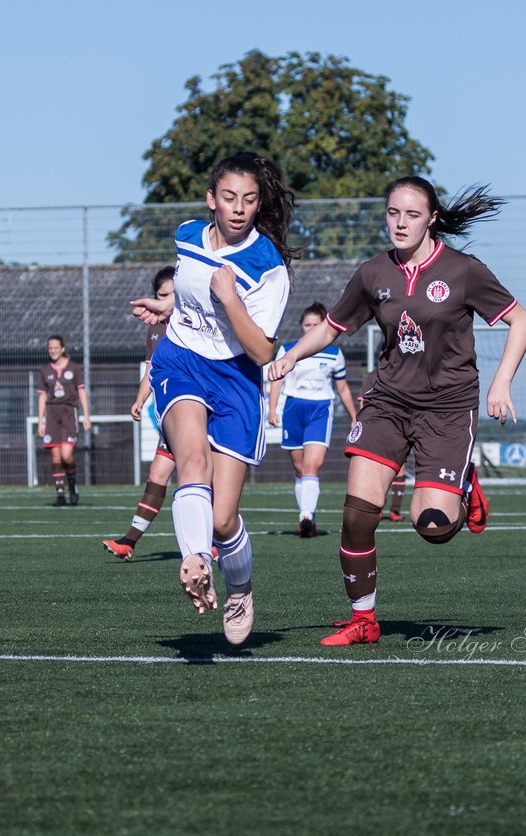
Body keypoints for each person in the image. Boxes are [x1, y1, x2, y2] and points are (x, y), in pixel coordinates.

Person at [269, 176, 526, 647]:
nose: (400, 222)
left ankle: (463, 483)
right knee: (356, 516)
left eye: (412, 214)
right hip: (388, 402)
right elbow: (331, 327)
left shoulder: (463, 270)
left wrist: (501, 382)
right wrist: (292, 355)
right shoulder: (374, 273)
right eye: (393, 213)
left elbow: (521, 320)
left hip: (448, 409)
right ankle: (364, 620)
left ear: (432, 218)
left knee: (431, 528)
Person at [131, 151, 296, 645]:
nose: (239, 208)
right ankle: (195, 560)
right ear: (211, 200)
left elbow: (264, 350)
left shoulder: (269, 268)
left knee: (224, 519)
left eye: (249, 199)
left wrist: (229, 298)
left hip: (237, 377)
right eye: (229, 198)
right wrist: (168, 305)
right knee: (191, 459)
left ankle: (239, 587)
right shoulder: (186, 235)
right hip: (180, 360)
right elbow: (187, 291)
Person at [103, 267, 177, 559]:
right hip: (170, 416)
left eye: (173, 294)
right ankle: (129, 541)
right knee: (157, 474)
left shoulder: (195, 323)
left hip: (199, 415)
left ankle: (215, 543)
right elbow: (152, 367)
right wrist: (140, 398)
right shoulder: (155, 328)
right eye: (162, 295)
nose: (167, 300)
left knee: (200, 479)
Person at [267, 302, 357, 538]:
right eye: (307, 325)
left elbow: (343, 389)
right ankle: (307, 514)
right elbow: (277, 380)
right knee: (299, 467)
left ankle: (305, 516)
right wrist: (272, 409)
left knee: (312, 465)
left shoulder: (335, 354)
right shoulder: (288, 349)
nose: (311, 328)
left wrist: (354, 417)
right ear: (301, 326)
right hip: (294, 408)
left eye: (316, 325)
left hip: (320, 409)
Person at [36, 335, 91, 506]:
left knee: (67, 455)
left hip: (68, 413)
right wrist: (40, 421)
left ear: (63, 348)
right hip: (52, 414)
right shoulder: (45, 371)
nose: (52, 350)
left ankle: (73, 486)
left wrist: (86, 416)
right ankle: (60, 495)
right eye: (50, 348)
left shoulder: (73, 368)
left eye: (55, 347)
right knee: (56, 456)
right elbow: (42, 396)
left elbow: (81, 391)